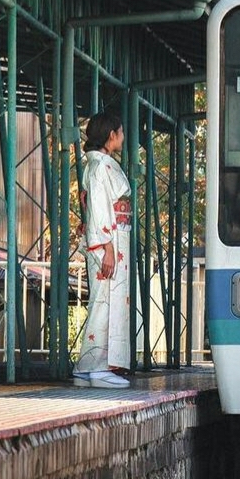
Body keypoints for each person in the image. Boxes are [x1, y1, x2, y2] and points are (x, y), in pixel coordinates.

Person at [72, 110, 132, 388]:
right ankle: (96, 367)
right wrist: (106, 246)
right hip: (110, 243)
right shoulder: (100, 168)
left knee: (105, 302)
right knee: (104, 303)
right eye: (120, 132)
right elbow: (98, 207)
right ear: (111, 135)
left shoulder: (99, 165)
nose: (123, 137)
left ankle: (88, 367)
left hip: (114, 240)